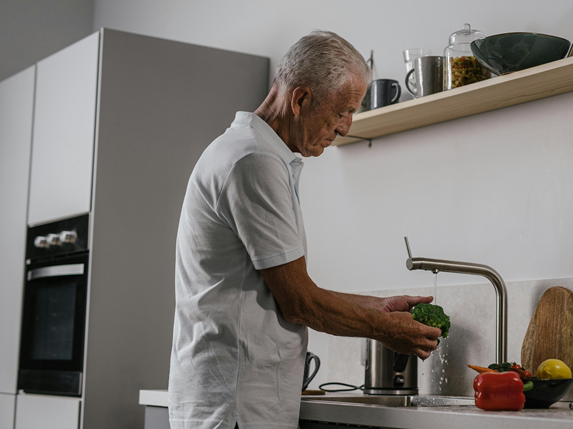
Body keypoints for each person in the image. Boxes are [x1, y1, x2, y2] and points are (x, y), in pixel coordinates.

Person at [168, 31, 441, 429]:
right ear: (300, 99)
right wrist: (384, 329)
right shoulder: (253, 160)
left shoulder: (255, 154)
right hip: (236, 404)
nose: (346, 127)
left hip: (234, 400)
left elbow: (285, 290)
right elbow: (298, 301)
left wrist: (378, 307)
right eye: (342, 111)